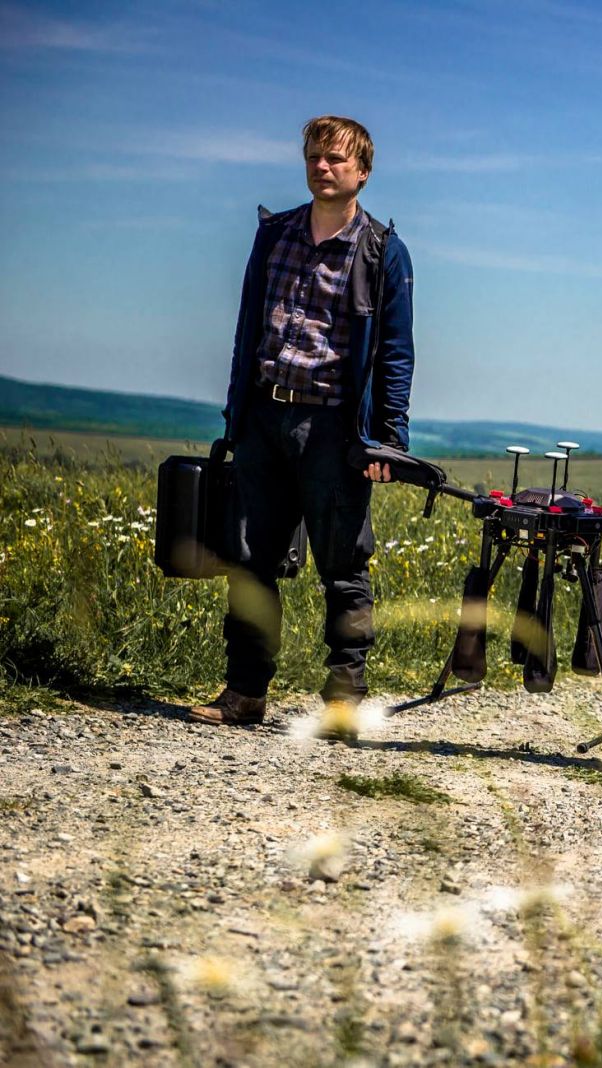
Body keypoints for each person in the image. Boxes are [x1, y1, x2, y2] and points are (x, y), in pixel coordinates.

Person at [188, 115, 415, 741]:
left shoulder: (381, 251)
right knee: (250, 561)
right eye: (315, 155)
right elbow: (246, 327)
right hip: (265, 414)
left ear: (362, 172)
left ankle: (344, 701)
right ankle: (244, 694)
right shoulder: (275, 235)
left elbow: (395, 353)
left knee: (342, 567)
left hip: (334, 430)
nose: (323, 166)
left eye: (337, 159)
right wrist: (238, 417)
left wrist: (386, 441)